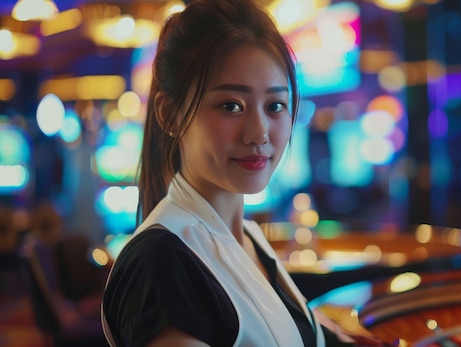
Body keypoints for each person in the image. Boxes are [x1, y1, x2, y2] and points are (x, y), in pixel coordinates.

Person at [101, 0, 390, 346]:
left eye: (275, 106)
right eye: (231, 106)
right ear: (170, 114)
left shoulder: (250, 239)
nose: (259, 132)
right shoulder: (161, 264)